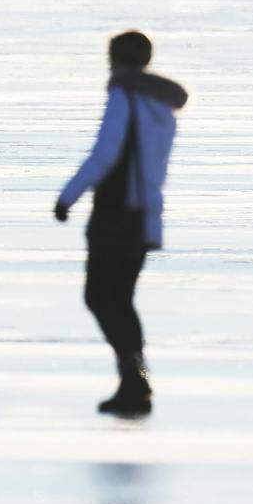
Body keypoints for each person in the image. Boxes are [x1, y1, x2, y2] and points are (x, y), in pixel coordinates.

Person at [54, 31, 188, 417]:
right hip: (144, 212)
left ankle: (134, 377)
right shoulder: (160, 102)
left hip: (115, 211)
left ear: (113, 58)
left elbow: (105, 154)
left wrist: (67, 197)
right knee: (121, 298)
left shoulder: (124, 95)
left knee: (100, 296)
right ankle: (134, 380)